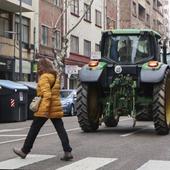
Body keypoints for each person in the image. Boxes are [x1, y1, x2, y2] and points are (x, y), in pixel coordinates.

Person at [13, 58, 73, 161]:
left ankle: (24, 151)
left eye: (39, 66)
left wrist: (44, 109)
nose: (38, 68)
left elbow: (47, 95)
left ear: (42, 67)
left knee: (33, 130)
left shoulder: (44, 77)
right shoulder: (55, 77)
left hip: (45, 108)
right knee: (61, 130)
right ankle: (67, 152)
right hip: (54, 107)